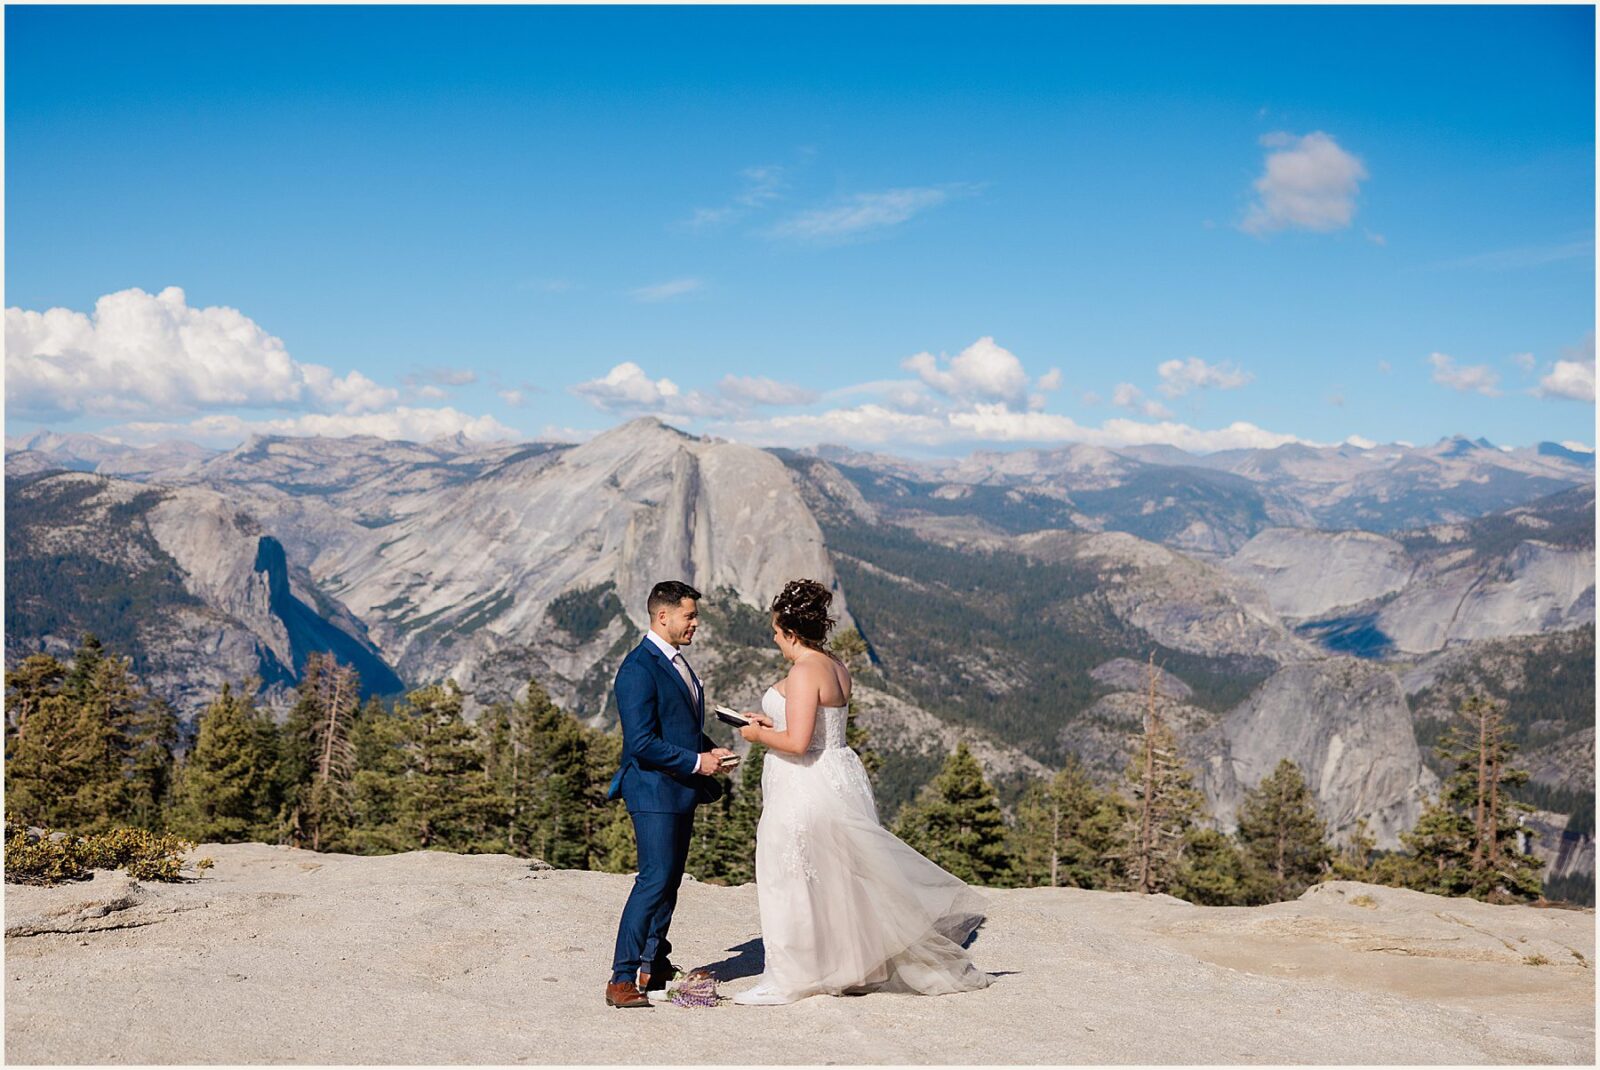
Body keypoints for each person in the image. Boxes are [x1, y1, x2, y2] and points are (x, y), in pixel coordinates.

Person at [729, 578, 992, 1005]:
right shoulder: (833, 664)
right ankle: (853, 966)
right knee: (839, 877)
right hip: (837, 772)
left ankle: (790, 976)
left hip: (805, 782)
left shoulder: (802, 671)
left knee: (790, 875)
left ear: (791, 633)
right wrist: (769, 723)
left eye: (777, 632)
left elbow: (797, 743)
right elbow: (816, 729)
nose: (775, 639)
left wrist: (756, 736)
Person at [604, 580, 737, 1009]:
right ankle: (621, 978)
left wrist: (707, 748)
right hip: (652, 791)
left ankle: (654, 962)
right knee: (653, 880)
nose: (696, 623)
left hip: (677, 790)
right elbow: (641, 742)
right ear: (663, 616)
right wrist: (698, 763)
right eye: (690, 616)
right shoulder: (638, 668)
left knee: (670, 881)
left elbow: (676, 726)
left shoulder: (675, 662)